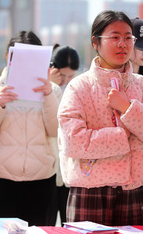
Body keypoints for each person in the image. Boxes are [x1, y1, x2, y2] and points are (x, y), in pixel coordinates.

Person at [58, 10, 143, 226]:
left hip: (137, 190)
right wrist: (122, 137)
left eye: (128, 37)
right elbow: (73, 142)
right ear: (95, 42)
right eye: (115, 37)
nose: (123, 44)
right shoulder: (78, 88)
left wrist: (128, 109)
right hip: (89, 191)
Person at [0, 31, 62, 226]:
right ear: (8, 56)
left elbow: (57, 132)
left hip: (41, 180)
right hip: (1, 180)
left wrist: (48, 96)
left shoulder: (53, 91)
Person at [48, 44, 80, 226]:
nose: (66, 80)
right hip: (49, 169)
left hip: (70, 171)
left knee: (70, 224)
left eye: (71, 76)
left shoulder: (77, 88)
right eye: (62, 75)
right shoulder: (44, 88)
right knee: (47, 223)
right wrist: (52, 87)